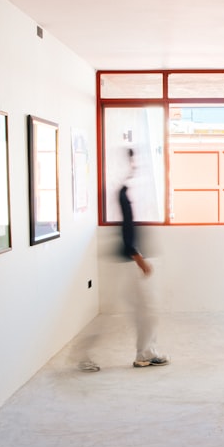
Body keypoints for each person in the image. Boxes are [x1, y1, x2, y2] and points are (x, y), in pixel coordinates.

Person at [76, 147, 168, 372]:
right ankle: (84, 354)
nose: (135, 165)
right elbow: (127, 228)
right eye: (132, 161)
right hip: (129, 259)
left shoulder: (128, 189)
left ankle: (146, 352)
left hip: (131, 257)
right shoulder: (122, 191)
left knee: (144, 309)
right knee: (124, 311)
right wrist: (138, 258)